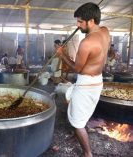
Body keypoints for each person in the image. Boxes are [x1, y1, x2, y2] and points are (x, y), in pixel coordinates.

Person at [56, 3, 110, 157]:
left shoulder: (86, 43)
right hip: (97, 81)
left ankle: (87, 153)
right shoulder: (105, 31)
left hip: (86, 84)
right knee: (75, 105)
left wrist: (62, 55)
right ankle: (77, 133)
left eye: (80, 22)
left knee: (77, 123)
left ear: (91, 20)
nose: (77, 25)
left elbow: (77, 69)